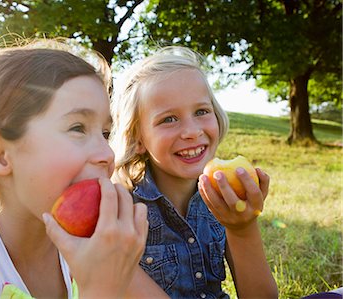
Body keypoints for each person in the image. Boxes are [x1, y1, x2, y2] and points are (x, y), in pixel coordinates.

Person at [0, 39, 166, 298]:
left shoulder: (88, 246)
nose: (107, 154)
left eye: (106, 133)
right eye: (77, 128)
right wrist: (102, 289)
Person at [111, 46, 279, 299]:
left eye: (201, 112)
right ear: (138, 139)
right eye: (168, 119)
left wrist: (243, 228)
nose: (191, 131)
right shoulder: (122, 209)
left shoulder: (224, 198)